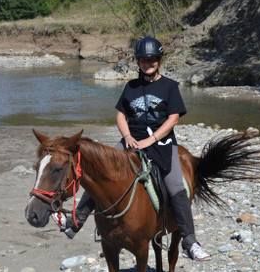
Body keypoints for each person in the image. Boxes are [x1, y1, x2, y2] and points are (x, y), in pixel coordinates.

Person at [52, 36, 211, 261]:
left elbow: (173, 118)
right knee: (102, 172)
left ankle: (189, 240)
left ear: (159, 60)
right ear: (138, 61)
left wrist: (152, 139)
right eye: (144, 60)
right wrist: (127, 136)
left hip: (162, 144)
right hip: (131, 142)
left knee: (176, 185)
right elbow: (120, 114)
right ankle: (75, 221)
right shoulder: (131, 87)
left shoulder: (169, 87)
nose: (148, 63)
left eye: (152, 59)